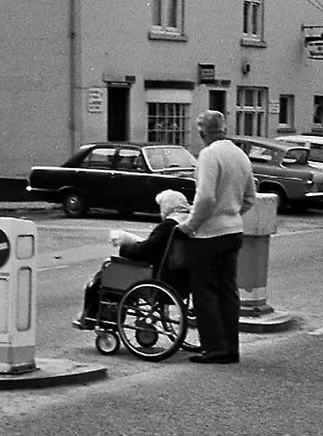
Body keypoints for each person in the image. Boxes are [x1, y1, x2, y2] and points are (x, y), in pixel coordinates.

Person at [182, 110, 256, 364]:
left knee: (204, 290)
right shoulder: (240, 155)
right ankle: (230, 347)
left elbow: (205, 197)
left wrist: (192, 224)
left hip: (209, 234)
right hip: (234, 231)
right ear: (224, 129)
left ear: (202, 132)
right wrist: (232, 213)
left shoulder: (209, 155)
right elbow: (250, 199)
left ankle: (213, 347)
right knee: (227, 291)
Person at [74, 189, 193, 327]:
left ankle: (93, 317)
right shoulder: (188, 226)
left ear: (167, 207)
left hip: (160, 277)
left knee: (103, 277)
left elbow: (145, 250)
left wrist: (124, 248)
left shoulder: (167, 227)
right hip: (182, 279)